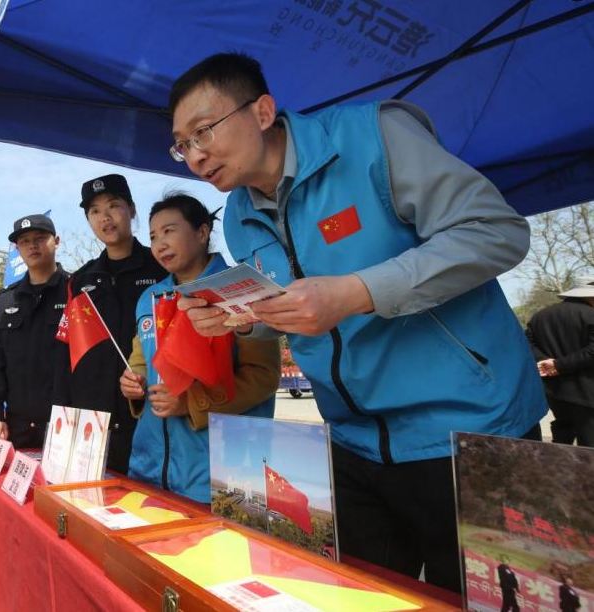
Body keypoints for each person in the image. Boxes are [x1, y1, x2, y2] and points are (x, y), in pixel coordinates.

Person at [169, 53, 546, 592]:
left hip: (470, 434)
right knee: (344, 595)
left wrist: (357, 293)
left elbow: (496, 231)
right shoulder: (239, 219)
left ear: (263, 111)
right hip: (350, 442)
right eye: (182, 144)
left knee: (482, 598)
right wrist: (241, 321)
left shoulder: (374, 136)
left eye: (203, 131)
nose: (194, 156)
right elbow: (295, 312)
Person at [119, 194, 279, 502]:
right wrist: (134, 379)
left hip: (216, 477)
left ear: (202, 232)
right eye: (153, 236)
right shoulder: (150, 298)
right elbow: (140, 358)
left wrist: (190, 403)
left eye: (169, 231)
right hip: (149, 468)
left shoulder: (240, 289)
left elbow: (264, 377)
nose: (159, 243)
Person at [53, 174, 166, 474]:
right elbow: (69, 355)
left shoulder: (162, 269)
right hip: (93, 424)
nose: (105, 217)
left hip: (149, 418)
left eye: (114, 206)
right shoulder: (79, 281)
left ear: (132, 209)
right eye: (95, 211)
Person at [0, 214, 69, 448]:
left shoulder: (76, 292)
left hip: (64, 426)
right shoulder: (6, 299)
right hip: (14, 427)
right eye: (24, 241)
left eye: (40, 238)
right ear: (17, 247)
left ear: (56, 241)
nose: (32, 245)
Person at [526, 277, 594, 446]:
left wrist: (546, 363)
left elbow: (525, 344)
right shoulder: (591, 315)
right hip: (588, 393)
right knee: (590, 445)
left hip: (554, 392)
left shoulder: (539, 316)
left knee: (562, 440)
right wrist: (558, 366)